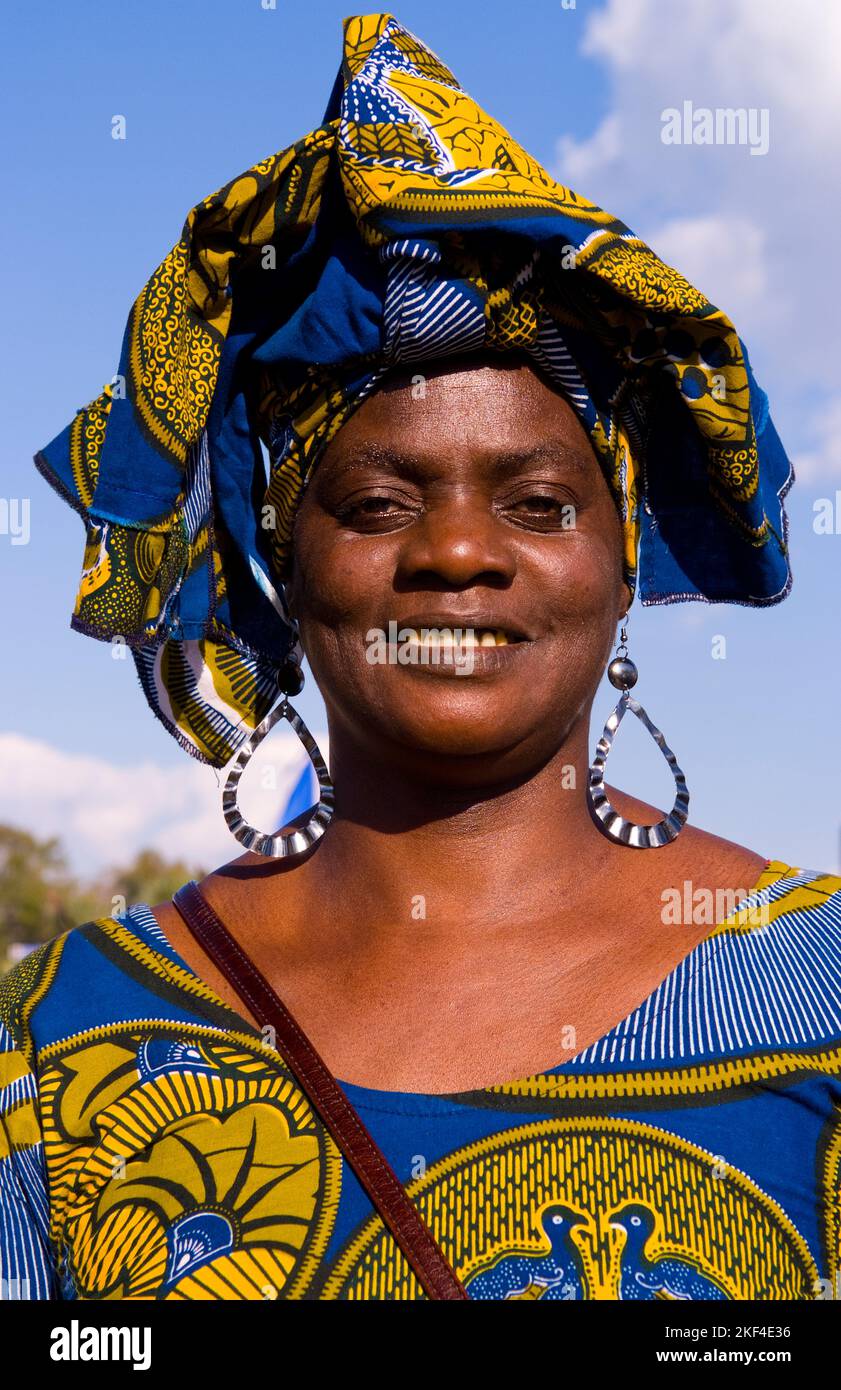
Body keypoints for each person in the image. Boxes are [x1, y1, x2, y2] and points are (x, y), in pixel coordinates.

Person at [1, 12, 838, 1302]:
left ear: (627, 563)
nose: (456, 553)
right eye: (378, 506)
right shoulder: (56, 1043)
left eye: (541, 505)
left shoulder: (822, 989)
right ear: (289, 569)